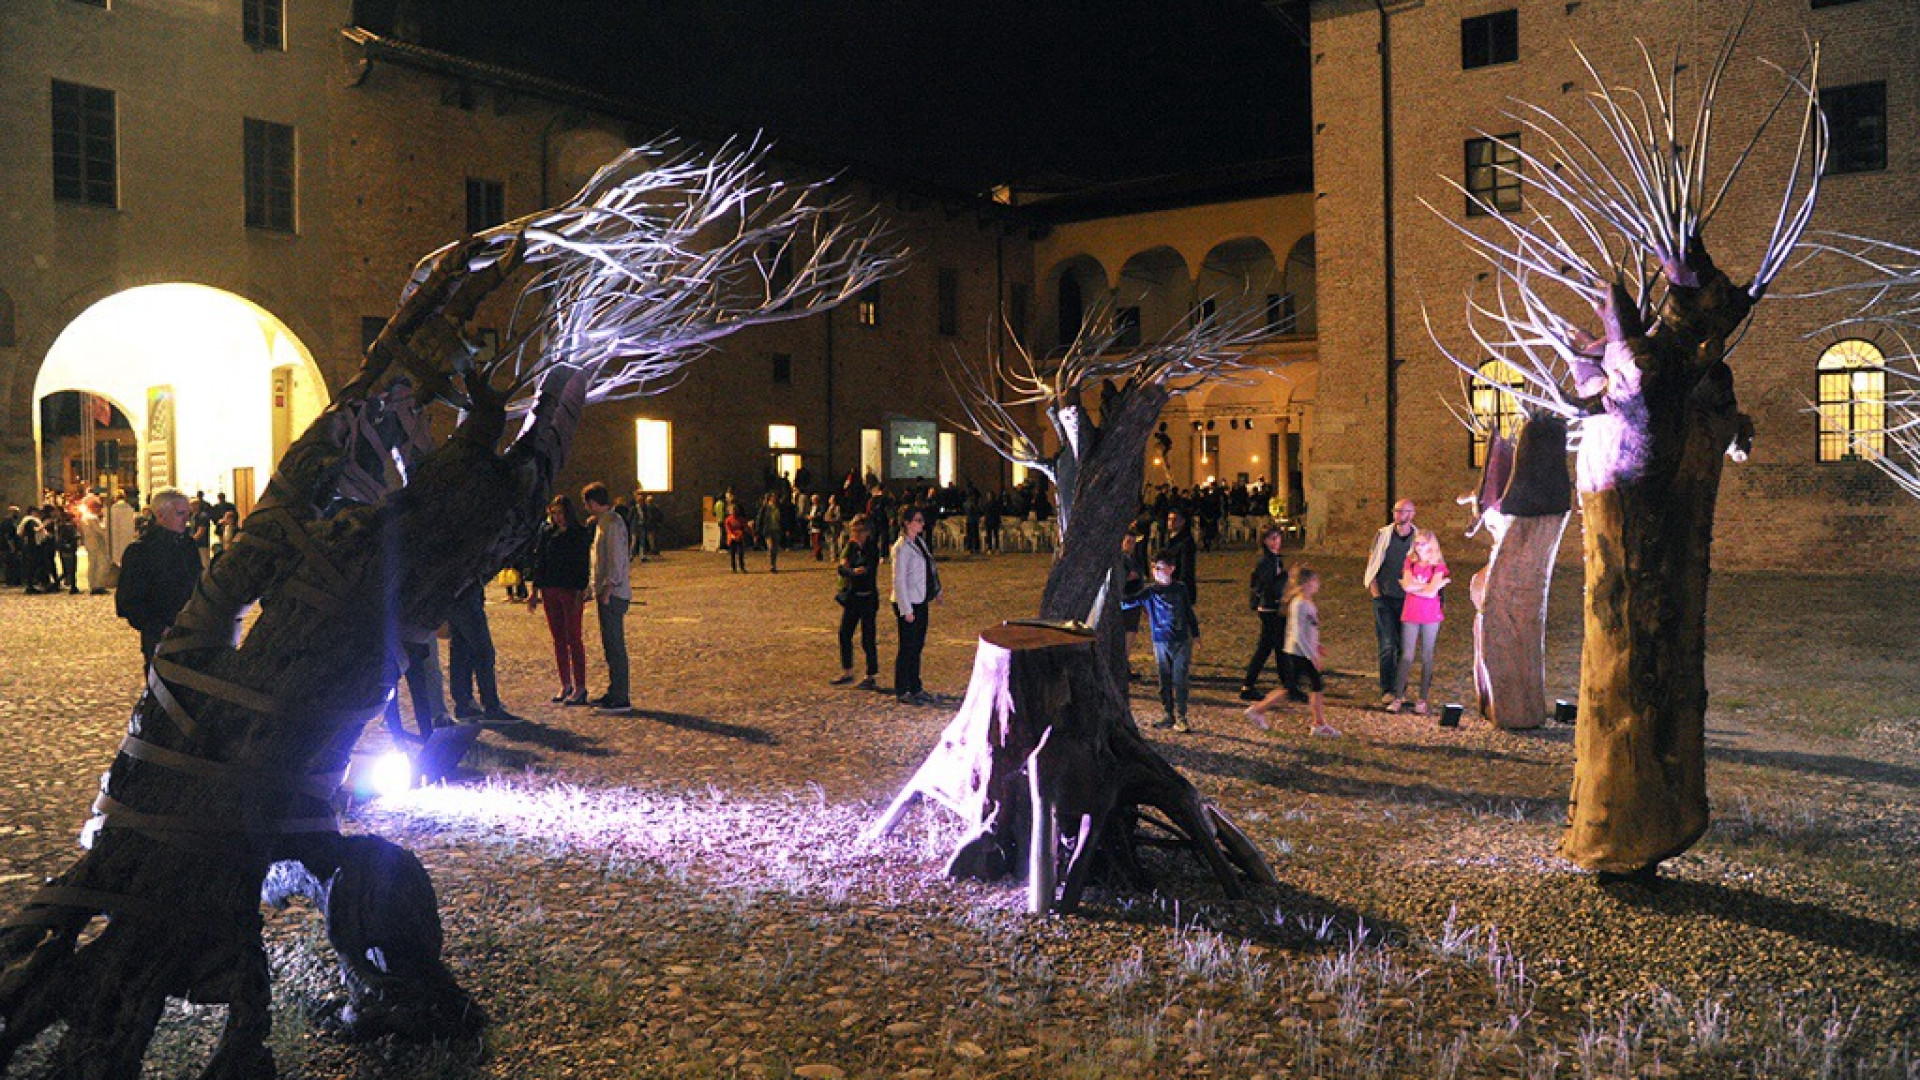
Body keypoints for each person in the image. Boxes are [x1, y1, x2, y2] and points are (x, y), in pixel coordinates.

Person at [1246, 567, 1338, 737]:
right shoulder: (1299, 605)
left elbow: (1310, 629)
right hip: (1298, 654)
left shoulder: (1307, 602)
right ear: (1305, 585)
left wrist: (1317, 645)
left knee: (1309, 687)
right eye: (1314, 581)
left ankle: (1319, 723)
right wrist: (1312, 656)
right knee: (1297, 688)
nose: (1318, 584)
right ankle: (1258, 710)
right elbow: (1297, 634)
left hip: (1304, 652)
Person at [114, 488, 202, 665]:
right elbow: (128, 601)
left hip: (194, 634)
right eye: (180, 514)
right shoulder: (140, 551)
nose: (187, 519)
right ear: (161, 515)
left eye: (188, 514)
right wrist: (157, 628)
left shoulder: (188, 545)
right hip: (161, 638)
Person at [1123, 553, 1201, 731]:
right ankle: (1168, 713)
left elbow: (1188, 612)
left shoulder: (1180, 589)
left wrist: (1195, 634)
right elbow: (1129, 602)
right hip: (1160, 641)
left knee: (1180, 679)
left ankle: (1181, 716)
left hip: (1181, 640)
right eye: (1153, 568)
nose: (1155, 572)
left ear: (1171, 569)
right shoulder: (1150, 592)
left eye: (1159, 568)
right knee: (1164, 679)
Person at [528, 495, 592, 706]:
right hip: (550, 589)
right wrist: (535, 590)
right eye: (553, 513)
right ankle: (565, 683)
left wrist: (580, 590)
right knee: (558, 639)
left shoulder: (578, 534)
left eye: (560, 513)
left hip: (570, 590)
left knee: (574, 637)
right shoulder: (546, 534)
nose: (557, 518)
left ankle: (580, 686)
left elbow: (582, 564)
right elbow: (539, 561)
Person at [1362, 499, 1418, 706]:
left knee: (1405, 647)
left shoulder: (1418, 538)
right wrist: (1375, 592)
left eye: (1404, 512)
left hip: (1408, 600)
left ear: (1412, 514)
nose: (1399, 515)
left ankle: (1400, 688)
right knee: (1387, 645)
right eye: (1396, 511)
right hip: (1385, 598)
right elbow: (1372, 562)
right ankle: (1387, 688)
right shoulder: (1382, 535)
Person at [1389, 529, 1450, 715]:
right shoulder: (1410, 562)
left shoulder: (1438, 565)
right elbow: (1409, 586)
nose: (1419, 546)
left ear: (1431, 545)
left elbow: (1428, 592)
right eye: (1417, 542)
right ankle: (1398, 696)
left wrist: (1418, 587)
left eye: (1423, 543)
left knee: (1427, 656)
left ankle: (1422, 698)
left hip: (1430, 615)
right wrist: (1430, 586)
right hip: (1411, 613)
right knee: (1406, 656)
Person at [584, 482, 632, 712]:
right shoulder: (605, 523)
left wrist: (608, 587)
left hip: (612, 593)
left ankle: (621, 696)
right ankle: (614, 691)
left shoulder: (611, 524)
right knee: (609, 644)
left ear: (593, 503)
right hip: (606, 591)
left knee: (615, 644)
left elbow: (615, 558)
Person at [446, 581, 519, 724]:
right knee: (483, 653)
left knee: (460, 650)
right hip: (466, 594)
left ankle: (464, 704)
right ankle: (491, 706)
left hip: (455, 595)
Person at [1240, 525, 1297, 702]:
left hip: (1274, 607)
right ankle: (1248, 686)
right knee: (1266, 648)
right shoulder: (1266, 560)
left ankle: (1287, 685)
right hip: (1269, 608)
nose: (1276, 542)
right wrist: (1287, 576)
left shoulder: (1274, 559)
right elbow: (1268, 585)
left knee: (1279, 647)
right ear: (1265, 541)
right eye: (1272, 538)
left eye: (1278, 538)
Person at [890, 505, 940, 705]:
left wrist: (936, 590)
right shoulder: (901, 547)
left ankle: (915, 686)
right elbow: (898, 580)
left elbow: (930, 567)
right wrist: (906, 609)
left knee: (917, 646)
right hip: (908, 602)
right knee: (907, 647)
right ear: (908, 523)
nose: (922, 523)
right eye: (918, 520)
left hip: (920, 599)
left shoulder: (919, 542)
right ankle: (902, 688)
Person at [831, 514, 882, 689]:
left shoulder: (872, 548)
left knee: (868, 638)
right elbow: (842, 568)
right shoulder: (850, 547)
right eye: (853, 530)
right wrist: (851, 571)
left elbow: (866, 570)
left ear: (867, 531)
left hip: (867, 597)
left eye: (859, 530)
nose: (856, 534)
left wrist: (850, 570)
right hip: (852, 597)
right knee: (844, 633)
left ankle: (871, 674)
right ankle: (847, 671)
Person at [1159, 509, 1198, 605]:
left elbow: (1186, 569)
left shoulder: (1185, 542)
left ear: (1182, 522)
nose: (1171, 523)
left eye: (1174, 520)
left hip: (1179, 591)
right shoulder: (1169, 540)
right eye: (1169, 519)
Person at [757, 491, 783, 573]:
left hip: (777, 529)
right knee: (771, 547)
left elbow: (782, 519)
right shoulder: (765, 508)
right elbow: (760, 519)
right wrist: (757, 530)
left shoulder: (778, 507)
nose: (774, 499)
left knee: (775, 548)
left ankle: (774, 564)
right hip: (768, 530)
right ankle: (771, 565)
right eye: (773, 497)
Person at [723, 501, 751, 573]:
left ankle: (742, 567)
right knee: (733, 553)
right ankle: (734, 568)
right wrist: (732, 536)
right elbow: (728, 529)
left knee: (741, 553)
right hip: (732, 538)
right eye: (733, 510)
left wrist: (746, 529)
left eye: (735, 510)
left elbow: (744, 527)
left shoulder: (741, 519)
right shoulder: (728, 520)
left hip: (740, 537)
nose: (734, 512)